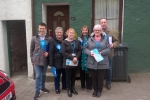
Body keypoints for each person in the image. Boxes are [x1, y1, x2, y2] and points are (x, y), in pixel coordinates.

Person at [84, 24, 111, 98]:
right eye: (96, 30)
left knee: (100, 78)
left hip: (102, 62)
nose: (97, 31)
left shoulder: (105, 39)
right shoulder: (89, 39)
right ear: (93, 31)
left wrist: (101, 53)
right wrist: (90, 53)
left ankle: (99, 91)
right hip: (92, 62)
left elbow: (109, 49)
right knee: (93, 77)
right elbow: (85, 48)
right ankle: (95, 90)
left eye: (99, 30)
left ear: (101, 31)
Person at [30, 22, 52, 100]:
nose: (42, 30)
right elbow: (31, 49)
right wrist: (32, 59)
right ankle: (37, 91)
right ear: (38, 28)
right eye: (40, 28)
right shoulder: (34, 38)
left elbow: (51, 49)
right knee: (38, 75)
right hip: (37, 60)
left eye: (43, 28)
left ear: (45, 29)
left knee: (43, 75)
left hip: (45, 60)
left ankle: (43, 87)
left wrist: (48, 53)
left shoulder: (49, 38)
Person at [100, 18, 119, 90]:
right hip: (100, 54)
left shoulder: (110, 32)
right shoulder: (98, 31)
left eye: (104, 22)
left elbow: (117, 41)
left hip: (109, 54)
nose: (103, 23)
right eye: (102, 22)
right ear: (100, 23)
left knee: (109, 69)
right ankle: (100, 82)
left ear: (106, 23)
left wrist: (113, 45)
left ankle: (108, 83)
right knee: (100, 69)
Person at [61, 28, 81, 97]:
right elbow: (63, 52)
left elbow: (79, 50)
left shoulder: (77, 41)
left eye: (73, 33)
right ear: (67, 33)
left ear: (74, 34)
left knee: (73, 76)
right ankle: (69, 89)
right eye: (70, 33)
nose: (71, 34)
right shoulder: (64, 42)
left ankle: (73, 88)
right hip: (68, 62)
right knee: (68, 76)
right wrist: (72, 58)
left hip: (75, 62)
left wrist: (76, 57)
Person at [49, 27, 67, 94]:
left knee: (64, 74)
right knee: (57, 76)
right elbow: (51, 52)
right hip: (56, 62)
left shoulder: (65, 40)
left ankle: (64, 86)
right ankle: (57, 88)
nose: (59, 33)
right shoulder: (52, 41)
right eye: (57, 32)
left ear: (62, 33)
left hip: (64, 61)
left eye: (60, 32)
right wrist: (51, 63)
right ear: (55, 33)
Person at [78, 25, 92, 91]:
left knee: (88, 73)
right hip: (81, 57)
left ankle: (89, 86)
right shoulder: (79, 38)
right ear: (81, 31)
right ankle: (82, 85)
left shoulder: (91, 38)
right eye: (83, 30)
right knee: (82, 72)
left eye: (86, 30)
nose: (84, 31)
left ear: (88, 31)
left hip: (89, 57)